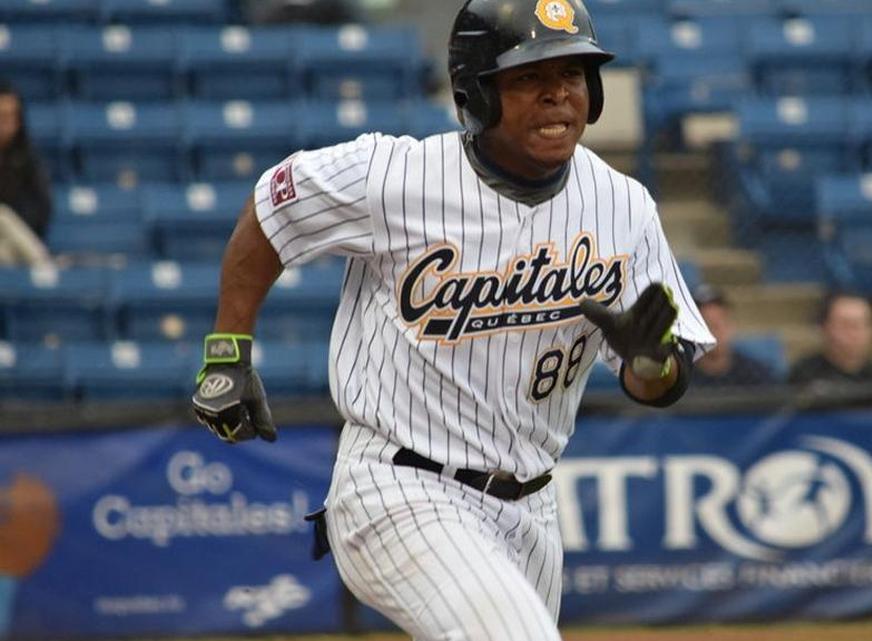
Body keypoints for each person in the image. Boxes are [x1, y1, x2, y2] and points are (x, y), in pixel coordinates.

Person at [189, 2, 715, 640]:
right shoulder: (394, 175)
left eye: (573, 75)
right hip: (399, 484)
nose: (558, 96)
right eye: (528, 78)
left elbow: (664, 379)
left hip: (533, 506)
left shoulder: (623, 206)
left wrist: (649, 360)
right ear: (476, 94)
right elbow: (274, 209)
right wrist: (227, 352)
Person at [788, 291, 872, 386]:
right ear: (825, 328)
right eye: (847, 325)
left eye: (863, 324)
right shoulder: (804, 376)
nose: (856, 334)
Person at [0, 80, 52, 267]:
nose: (6, 124)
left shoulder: (28, 159)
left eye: (11, 117)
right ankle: (45, 267)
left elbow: (41, 209)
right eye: (1, 116)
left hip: (19, 242)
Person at [690, 284, 773, 387]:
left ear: (731, 325)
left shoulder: (756, 376)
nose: (716, 331)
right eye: (707, 324)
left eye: (721, 322)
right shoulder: (679, 380)